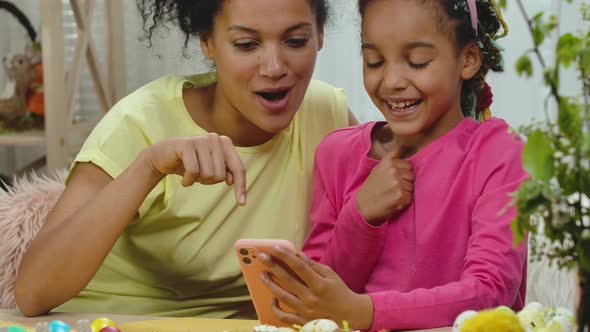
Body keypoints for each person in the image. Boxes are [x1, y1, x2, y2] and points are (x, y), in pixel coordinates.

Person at [15, 0, 357, 318]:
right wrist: (149, 167)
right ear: (207, 42)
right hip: (105, 321)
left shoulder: (328, 116)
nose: (274, 67)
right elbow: (32, 294)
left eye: (295, 41)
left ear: (320, 35)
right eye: (246, 45)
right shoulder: (141, 122)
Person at [257, 0, 528, 330]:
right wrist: (360, 216)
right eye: (374, 61)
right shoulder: (336, 154)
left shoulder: (497, 151)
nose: (391, 81)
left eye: (417, 62)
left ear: (468, 59)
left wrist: (365, 311)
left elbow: (490, 294)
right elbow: (317, 298)